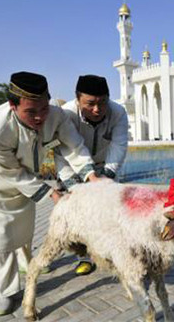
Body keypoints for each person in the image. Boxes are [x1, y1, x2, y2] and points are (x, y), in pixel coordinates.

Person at [0, 71, 106, 316]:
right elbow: (11, 173)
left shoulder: (55, 115)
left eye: (43, 109)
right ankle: (5, 292)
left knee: (23, 226)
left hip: (29, 175)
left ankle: (27, 263)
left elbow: (74, 145)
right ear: (13, 105)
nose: (39, 117)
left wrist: (91, 178)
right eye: (31, 112)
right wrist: (53, 195)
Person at [54, 74, 129, 275]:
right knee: (78, 217)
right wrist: (74, 184)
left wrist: (106, 177)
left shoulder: (118, 112)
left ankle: (110, 254)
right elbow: (65, 151)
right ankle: (84, 257)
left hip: (104, 168)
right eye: (90, 103)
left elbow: (119, 144)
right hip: (73, 166)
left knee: (110, 214)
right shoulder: (66, 114)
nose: (97, 109)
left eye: (102, 103)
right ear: (78, 99)